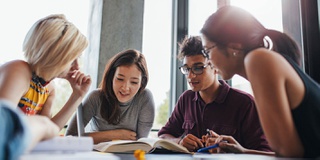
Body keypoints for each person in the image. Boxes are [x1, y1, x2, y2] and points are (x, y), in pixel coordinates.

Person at [200, 6, 320, 158]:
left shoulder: (258, 60)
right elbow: (289, 152)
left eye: (207, 50)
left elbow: (289, 153)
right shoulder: (266, 59)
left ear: (233, 47)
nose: (208, 60)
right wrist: (242, 151)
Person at [158, 36, 272, 153]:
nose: (190, 76)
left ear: (215, 66)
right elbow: (163, 136)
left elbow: (264, 152)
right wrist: (179, 141)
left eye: (198, 68)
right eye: (187, 69)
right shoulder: (186, 99)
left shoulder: (245, 103)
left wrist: (230, 151)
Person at [0, 14, 91, 131]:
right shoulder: (18, 71)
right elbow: (3, 127)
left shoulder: (49, 89)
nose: (77, 67)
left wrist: (77, 96)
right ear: (55, 55)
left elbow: (48, 131)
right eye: (72, 60)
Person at [66, 49, 155, 144]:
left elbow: (140, 142)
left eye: (134, 82)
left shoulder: (145, 98)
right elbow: (71, 137)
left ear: (142, 83)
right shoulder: (95, 97)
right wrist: (116, 135)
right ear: (111, 77)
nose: (125, 88)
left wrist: (96, 136)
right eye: (120, 79)